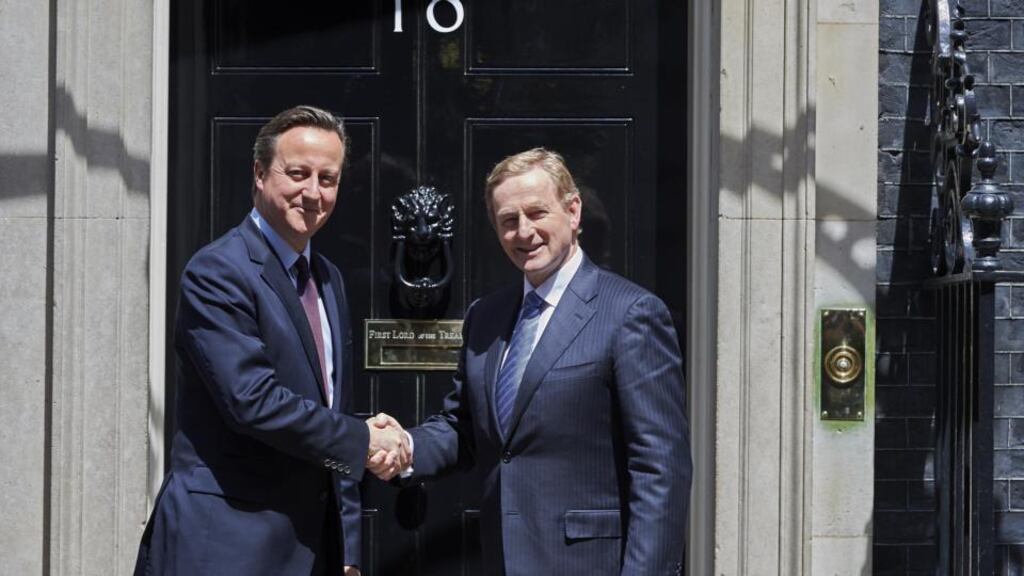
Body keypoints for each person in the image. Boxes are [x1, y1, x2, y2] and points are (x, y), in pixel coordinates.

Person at [369, 148, 692, 575]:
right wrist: (405, 448)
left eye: (537, 213)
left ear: (572, 211)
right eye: (508, 220)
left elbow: (661, 469)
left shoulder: (630, 314)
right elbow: (463, 429)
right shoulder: (486, 317)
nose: (524, 232)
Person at [135, 105, 409, 576]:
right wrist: (362, 438)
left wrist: (345, 548)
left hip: (309, 549)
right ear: (260, 174)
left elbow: (328, 411)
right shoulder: (218, 271)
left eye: (328, 178)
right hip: (225, 543)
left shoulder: (328, 279)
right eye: (298, 173)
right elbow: (252, 400)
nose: (313, 192)